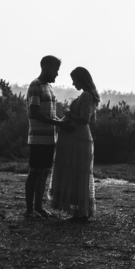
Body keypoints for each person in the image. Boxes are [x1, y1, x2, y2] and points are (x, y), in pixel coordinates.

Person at [49, 66, 99, 222]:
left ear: (81, 79)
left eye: (74, 80)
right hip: (78, 137)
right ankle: (80, 210)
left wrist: (69, 115)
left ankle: (81, 211)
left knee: (77, 172)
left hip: (79, 137)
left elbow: (84, 119)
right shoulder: (89, 95)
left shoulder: (86, 95)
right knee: (78, 172)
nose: (73, 84)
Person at [25, 55, 68, 218]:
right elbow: (34, 113)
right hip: (38, 139)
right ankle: (29, 210)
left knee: (44, 173)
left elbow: (49, 114)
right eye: (56, 70)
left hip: (50, 139)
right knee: (34, 173)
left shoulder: (49, 87)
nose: (57, 74)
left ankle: (39, 208)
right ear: (47, 68)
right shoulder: (35, 86)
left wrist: (61, 122)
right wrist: (59, 124)